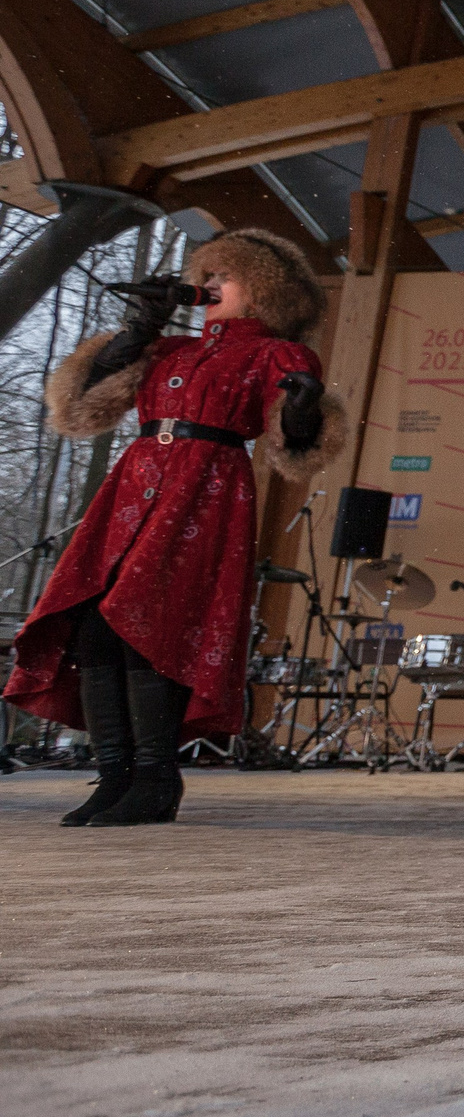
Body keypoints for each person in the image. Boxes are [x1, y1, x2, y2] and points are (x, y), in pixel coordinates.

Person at [5, 230, 344, 826]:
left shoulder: (276, 354)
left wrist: (300, 407)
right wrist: (140, 329)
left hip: (205, 488)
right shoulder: (168, 351)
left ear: (263, 293)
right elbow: (83, 403)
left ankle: (157, 777)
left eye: (225, 276)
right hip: (135, 484)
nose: (209, 284)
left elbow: (297, 444)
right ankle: (114, 776)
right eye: (206, 273)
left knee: (147, 626)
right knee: (94, 629)